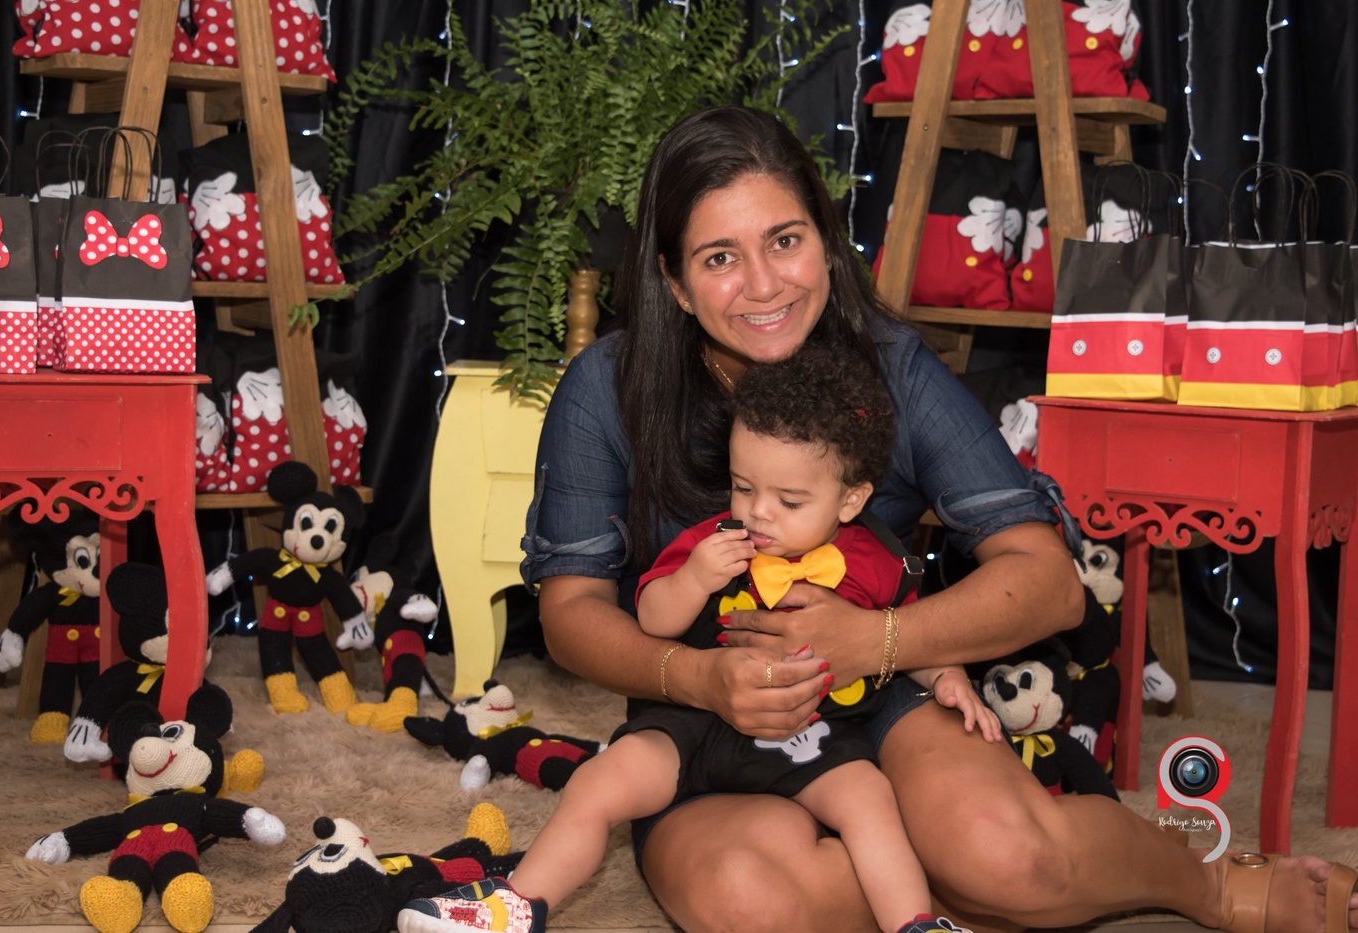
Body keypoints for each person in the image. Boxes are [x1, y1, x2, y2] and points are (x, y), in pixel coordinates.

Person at [513, 105, 1358, 931]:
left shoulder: (894, 369)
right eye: (720, 257)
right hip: (696, 725)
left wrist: (875, 641)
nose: (764, 284)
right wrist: (698, 678)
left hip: (880, 700)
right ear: (673, 281)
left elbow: (1050, 584)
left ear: (826, 240)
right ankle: (961, 894)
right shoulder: (607, 388)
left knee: (1012, 857)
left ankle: (1203, 883)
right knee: (752, 899)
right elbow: (570, 614)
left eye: (785, 240)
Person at [399, 347, 1002, 933]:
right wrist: (693, 578)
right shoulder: (713, 541)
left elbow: (909, 633)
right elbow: (653, 620)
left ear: (852, 499)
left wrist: (947, 677)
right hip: (693, 723)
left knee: (872, 799)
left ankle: (917, 923)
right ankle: (518, 905)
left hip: (812, 735)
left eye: (790, 500)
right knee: (598, 782)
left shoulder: (875, 562)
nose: (759, 513)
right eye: (744, 487)